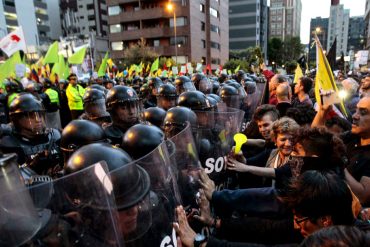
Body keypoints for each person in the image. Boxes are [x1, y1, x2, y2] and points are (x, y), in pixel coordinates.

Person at [174, 170, 368, 247]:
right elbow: (265, 229)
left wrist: (200, 242)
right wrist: (215, 222)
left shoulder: (341, 243)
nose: (293, 223)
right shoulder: (318, 226)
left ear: (325, 220)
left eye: (299, 218)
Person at [312, 96, 370, 206]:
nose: (354, 116)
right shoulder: (351, 136)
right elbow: (314, 140)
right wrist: (322, 112)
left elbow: (362, 196)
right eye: (356, 110)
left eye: (363, 113)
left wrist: (338, 162)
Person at [0, 93, 62, 176]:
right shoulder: (8, 144)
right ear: (16, 119)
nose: (38, 120)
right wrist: (29, 167)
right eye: (32, 116)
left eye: (40, 115)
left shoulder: (54, 136)